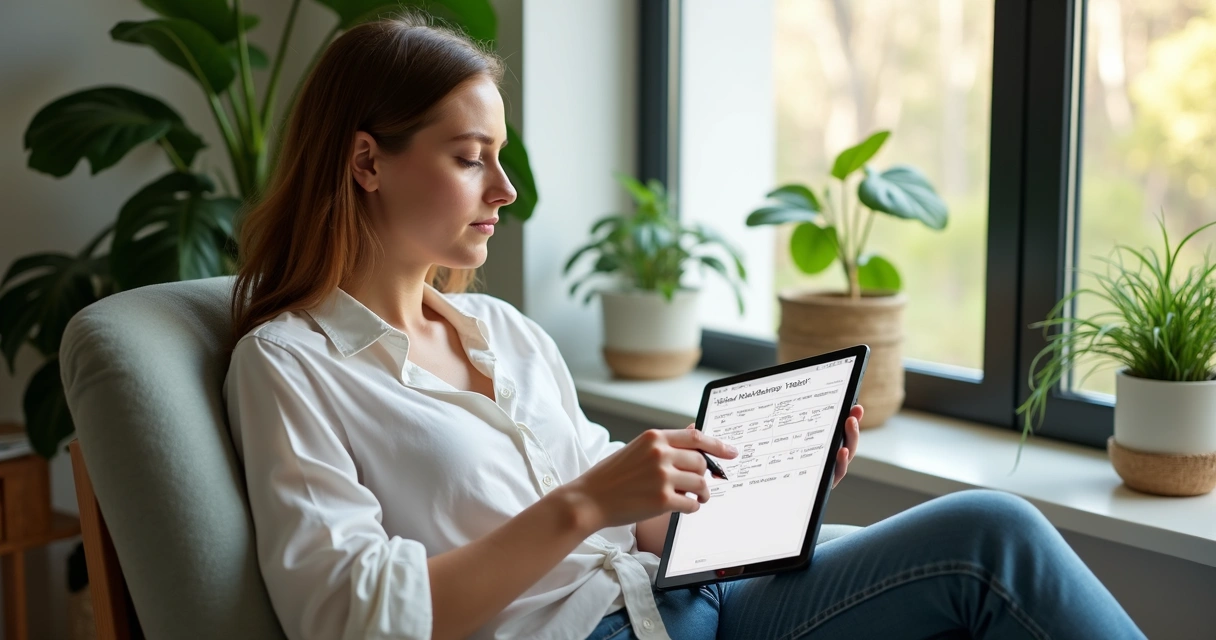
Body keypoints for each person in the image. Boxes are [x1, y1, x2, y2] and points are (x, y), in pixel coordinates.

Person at [223, 16, 1146, 640]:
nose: (504, 190)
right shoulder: (290, 366)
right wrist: (585, 504)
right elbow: (349, 616)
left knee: (992, 531)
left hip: (683, 599)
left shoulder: (502, 332)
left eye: (500, 158)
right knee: (988, 551)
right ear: (366, 162)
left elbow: (638, 529)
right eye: (471, 159)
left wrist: (768, 492)